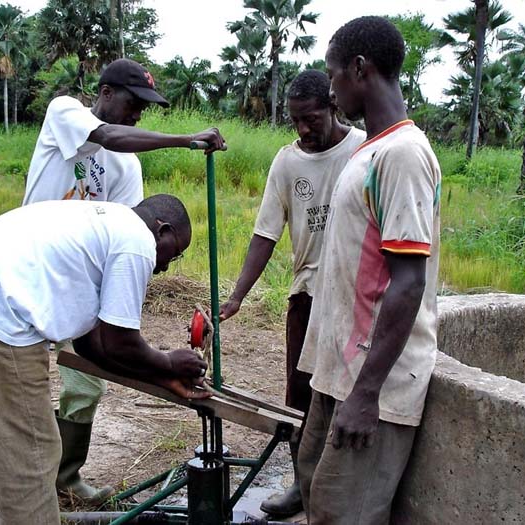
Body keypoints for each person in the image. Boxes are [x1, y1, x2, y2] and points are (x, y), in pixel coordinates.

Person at [0, 194, 211, 525]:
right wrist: (168, 362)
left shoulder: (97, 224)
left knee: (0, 460)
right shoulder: (136, 240)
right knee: (31, 462)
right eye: (175, 254)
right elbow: (120, 341)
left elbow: (94, 347)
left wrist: (162, 377)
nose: (165, 267)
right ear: (162, 229)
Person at [17, 58, 224, 504]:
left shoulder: (128, 167)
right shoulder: (66, 114)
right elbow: (108, 135)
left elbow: (130, 238)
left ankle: (65, 477)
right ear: (106, 93)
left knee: (88, 381)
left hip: (80, 283)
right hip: (31, 270)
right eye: (134, 103)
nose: (138, 115)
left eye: (144, 109)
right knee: (20, 386)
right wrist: (186, 140)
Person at [295, 17, 441, 524]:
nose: (331, 91)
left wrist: (366, 395)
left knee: (344, 514)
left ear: (360, 69)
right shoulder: (371, 149)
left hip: (371, 385)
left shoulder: (402, 154)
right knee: (319, 496)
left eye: (334, 76)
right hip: (341, 374)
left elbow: (408, 281)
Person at [218, 69, 365, 519]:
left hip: (355, 296)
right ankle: (303, 487)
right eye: (295, 120)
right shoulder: (287, 163)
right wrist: (238, 295)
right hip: (307, 297)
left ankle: (342, 491)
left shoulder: (362, 149)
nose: (303, 129)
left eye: (311, 118)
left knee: (349, 394)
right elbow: (266, 233)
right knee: (300, 396)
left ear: (332, 107)